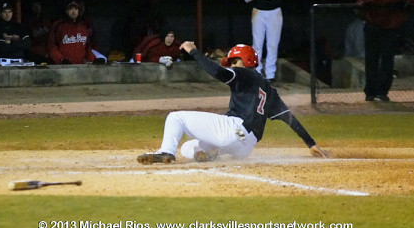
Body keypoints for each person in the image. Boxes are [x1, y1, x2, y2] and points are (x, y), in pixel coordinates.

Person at [137, 42, 328, 164]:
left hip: (233, 130)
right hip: (246, 147)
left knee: (175, 117)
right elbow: (290, 119)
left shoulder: (245, 73)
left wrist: (194, 52)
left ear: (245, 60)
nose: (233, 66)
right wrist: (310, 144)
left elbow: (219, 72)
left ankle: (166, 152)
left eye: (235, 61)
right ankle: (211, 153)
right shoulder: (269, 90)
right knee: (188, 148)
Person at [356, 0, 414, 102]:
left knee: (387, 60)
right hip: (374, 26)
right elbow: (361, 1)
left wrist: (410, 4)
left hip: (391, 29)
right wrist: (366, 5)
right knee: (372, 60)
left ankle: (382, 92)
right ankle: (370, 92)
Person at [244, 0, 284, 82]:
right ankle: (257, 72)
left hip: (274, 12)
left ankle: (270, 75)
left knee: (272, 44)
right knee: (257, 43)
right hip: (258, 12)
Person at [48, 0, 97, 64]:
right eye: (70, 9)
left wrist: (94, 60)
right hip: (63, 67)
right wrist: (61, 60)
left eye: (76, 9)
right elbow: (52, 47)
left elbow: (87, 49)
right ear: (66, 11)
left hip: (80, 66)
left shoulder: (83, 27)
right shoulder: (59, 26)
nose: (73, 11)